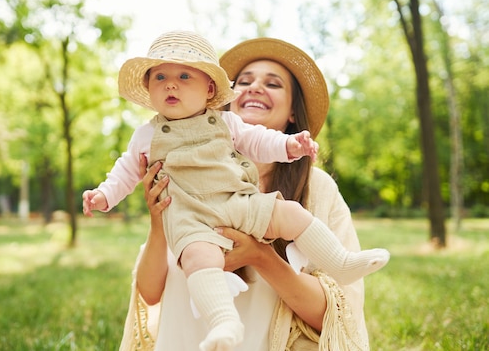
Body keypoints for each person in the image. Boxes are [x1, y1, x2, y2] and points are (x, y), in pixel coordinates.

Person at [86, 31, 388, 350]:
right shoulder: (167, 164)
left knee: (290, 215)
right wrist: (153, 218)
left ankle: (341, 261)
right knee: (199, 256)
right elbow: (149, 293)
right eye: (243, 82)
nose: (255, 87)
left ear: (293, 114)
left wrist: (260, 255)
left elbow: (337, 314)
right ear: (228, 98)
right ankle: (223, 322)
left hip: (262, 337)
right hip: (187, 333)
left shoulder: (316, 188)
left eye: (272, 83)